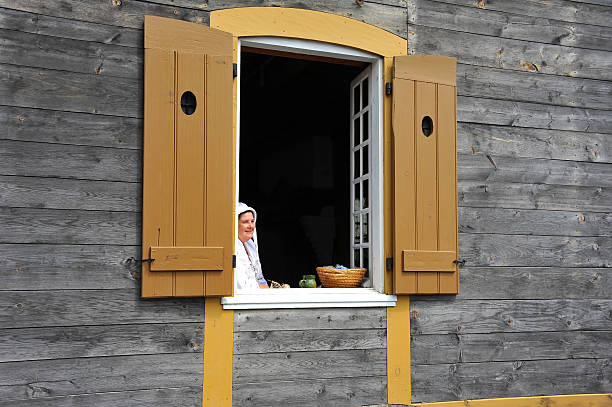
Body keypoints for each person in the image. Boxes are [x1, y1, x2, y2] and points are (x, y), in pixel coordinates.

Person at [235, 202, 269, 289]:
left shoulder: (250, 245)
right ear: (235, 224)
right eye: (245, 222)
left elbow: (260, 278)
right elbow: (240, 285)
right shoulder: (232, 248)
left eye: (252, 221)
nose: (251, 226)